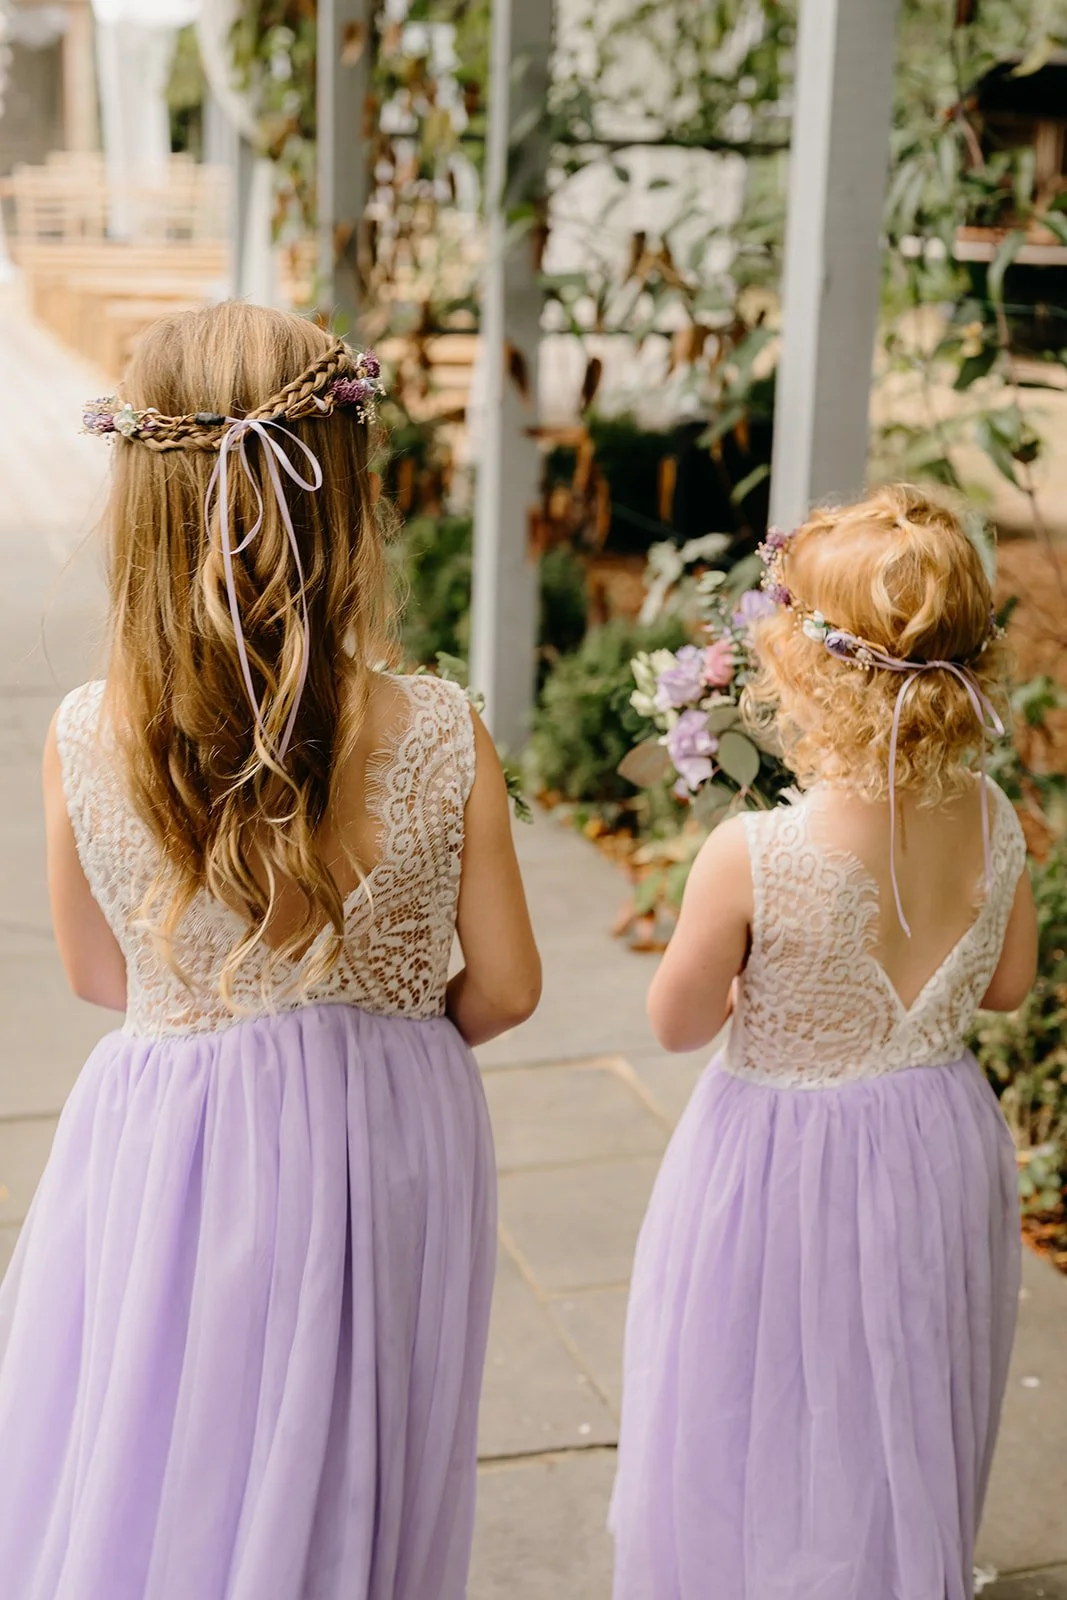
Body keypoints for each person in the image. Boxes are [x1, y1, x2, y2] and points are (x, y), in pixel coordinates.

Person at [0, 302, 541, 1600]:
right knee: (361, 1444)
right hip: (393, 1133)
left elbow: (93, 975)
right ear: (344, 492)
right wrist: (378, 1032)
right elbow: (510, 987)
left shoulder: (86, 736)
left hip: (175, 1133)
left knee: (170, 1442)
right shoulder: (440, 729)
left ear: (145, 495)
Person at [611, 486, 1037, 1600]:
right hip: (937, 1136)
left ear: (802, 668)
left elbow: (674, 1022)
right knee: (902, 1375)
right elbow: (1005, 986)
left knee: (762, 1387)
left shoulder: (752, 850)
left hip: (776, 1162)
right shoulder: (993, 817)